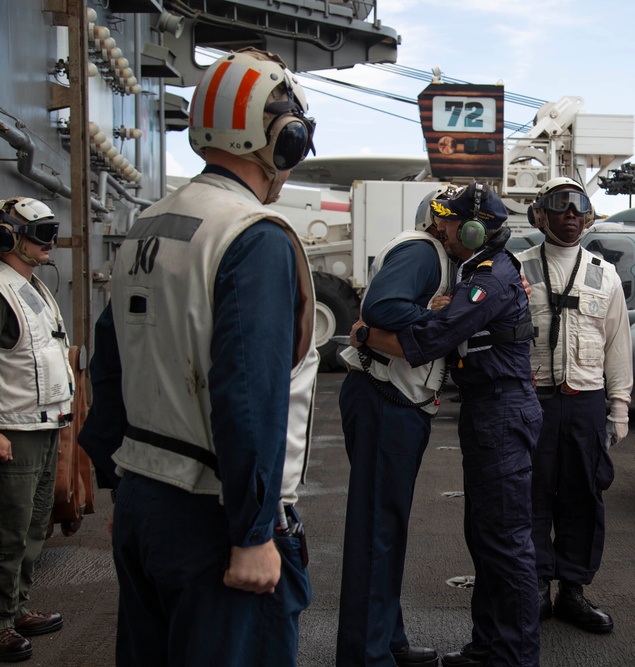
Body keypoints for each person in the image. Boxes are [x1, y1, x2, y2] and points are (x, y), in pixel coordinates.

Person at [77, 48, 319, 666]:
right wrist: (254, 532)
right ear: (280, 139)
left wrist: (119, 483)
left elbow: (110, 361)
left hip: (143, 502)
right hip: (214, 514)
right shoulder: (252, 236)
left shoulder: (148, 226)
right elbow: (247, 393)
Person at [350, 182, 541, 667]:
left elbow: (435, 337)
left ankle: (513, 656)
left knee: (505, 539)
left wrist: (366, 335)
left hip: (500, 410)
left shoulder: (490, 275)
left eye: (450, 221)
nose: (443, 229)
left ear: (474, 228)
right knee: (487, 536)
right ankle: (489, 647)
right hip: (486, 409)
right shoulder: (473, 268)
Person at [336, 183, 458, 667]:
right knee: (377, 530)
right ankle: (367, 655)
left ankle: (386, 640)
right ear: (437, 220)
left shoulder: (427, 252)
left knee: (386, 526)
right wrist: (436, 314)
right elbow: (383, 307)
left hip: (391, 399)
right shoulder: (423, 250)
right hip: (384, 398)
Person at [516, 178, 632, 634]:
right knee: (533, 495)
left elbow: (617, 345)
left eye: (578, 207)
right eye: (558, 206)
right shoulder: (517, 267)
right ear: (539, 215)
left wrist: (619, 407)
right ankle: (538, 586)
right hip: (534, 401)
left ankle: (574, 590)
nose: (569, 214)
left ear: (587, 216)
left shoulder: (605, 274)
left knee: (584, 496)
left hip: (585, 402)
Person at [0, 197, 71, 662]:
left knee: (31, 527)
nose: (49, 243)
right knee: (7, 532)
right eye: (38, 233)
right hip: (14, 429)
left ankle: (16, 607)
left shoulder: (33, 287)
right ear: (8, 236)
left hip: (43, 423)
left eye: (50, 231)